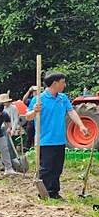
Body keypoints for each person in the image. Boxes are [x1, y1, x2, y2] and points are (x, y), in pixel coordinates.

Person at [27, 72, 91, 200]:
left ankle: (54, 192)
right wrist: (35, 110)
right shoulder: (39, 99)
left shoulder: (63, 98)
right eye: (63, 82)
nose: (65, 85)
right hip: (45, 140)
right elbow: (28, 117)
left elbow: (71, 111)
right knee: (46, 169)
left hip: (59, 140)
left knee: (57, 169)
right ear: (55, 83)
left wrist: (81, 125)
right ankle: (44, 194)